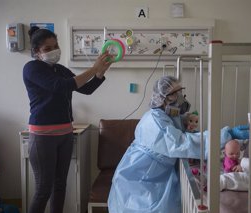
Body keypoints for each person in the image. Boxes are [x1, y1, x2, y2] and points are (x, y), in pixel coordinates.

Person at [23, 26, 112, 213]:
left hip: (65, 133)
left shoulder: (60, 69)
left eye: (55, 46)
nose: (54, 50)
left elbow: (85, 89)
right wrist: (93, 68)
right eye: (48, 49)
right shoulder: (32, 68)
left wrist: (100, 72)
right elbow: (61, 86)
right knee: (43, 189)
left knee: (60, 185)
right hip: (43, 136)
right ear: (36, 52)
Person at [107, 76, 202, 213]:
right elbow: (180, 143)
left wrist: (186, 120)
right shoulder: (155, 120)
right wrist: (221, 137)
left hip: (152, 174)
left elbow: (178, 130)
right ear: (162, 98)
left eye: (180, 91)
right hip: (139, 180)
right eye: (174, 93)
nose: (180, 97)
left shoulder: (165, 115)